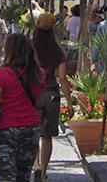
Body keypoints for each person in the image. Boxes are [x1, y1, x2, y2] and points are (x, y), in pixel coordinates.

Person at [0, 33, 46, 182]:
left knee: (7, 176)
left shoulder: (3, 73)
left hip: (6, 129)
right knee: (23, 176)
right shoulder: (39, 73)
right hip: (30, 128)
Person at [31, 14, 74, 182]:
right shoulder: (58, 50)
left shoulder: (30, 47)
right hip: (51, 94)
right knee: (47, 135)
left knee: (34, 132)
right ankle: (43, 173)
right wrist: (69, 102)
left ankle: (36, 165)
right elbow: (62, 77)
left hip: (33, 93)